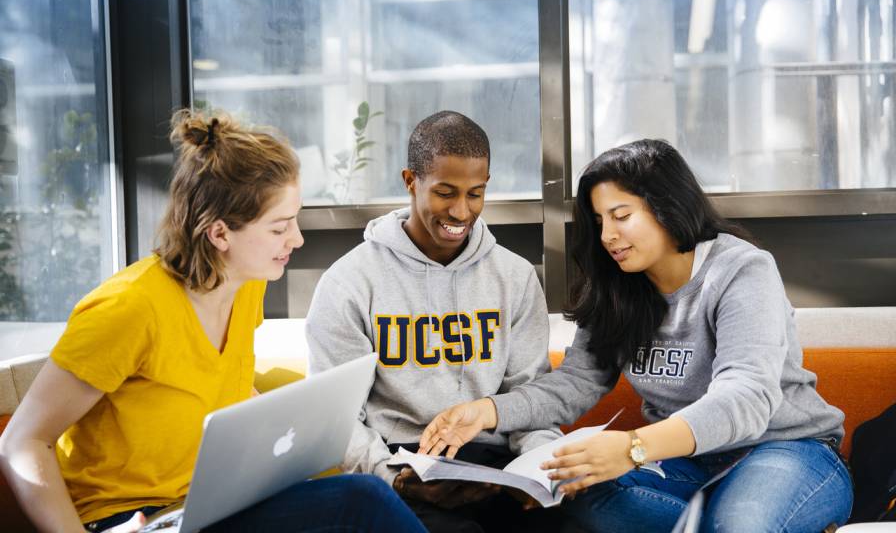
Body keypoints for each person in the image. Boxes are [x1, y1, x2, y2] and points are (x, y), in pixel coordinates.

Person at [0, 110, 425, 533]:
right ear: (220, 234)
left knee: (363, 496)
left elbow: (227, 387)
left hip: (208, 505)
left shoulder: (246, 283)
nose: (296, 239)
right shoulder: (127, 309)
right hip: (132, 518)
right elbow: (22, 441)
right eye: (279, 229)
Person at [419, 139, 853, 532]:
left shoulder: (741, 270)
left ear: (667, 206)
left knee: (739, 525)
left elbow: (746, 396)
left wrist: (633, 448)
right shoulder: (616, 287)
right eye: (599, 220)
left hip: (784, 451)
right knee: (576, 490)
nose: (608, 236)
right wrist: (487, 411)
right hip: (686, 467)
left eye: (621, 216)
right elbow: (575, 383)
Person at [305, 110, 563, 533]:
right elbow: (336, 418)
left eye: (475, 194)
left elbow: (531, 396)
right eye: (445, 193)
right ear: (411, 181)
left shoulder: (514, 278)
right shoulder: (349, 282)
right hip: (401, 465)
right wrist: (394, 479)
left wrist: (540, 469)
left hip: (497, 462)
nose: (461, 211)